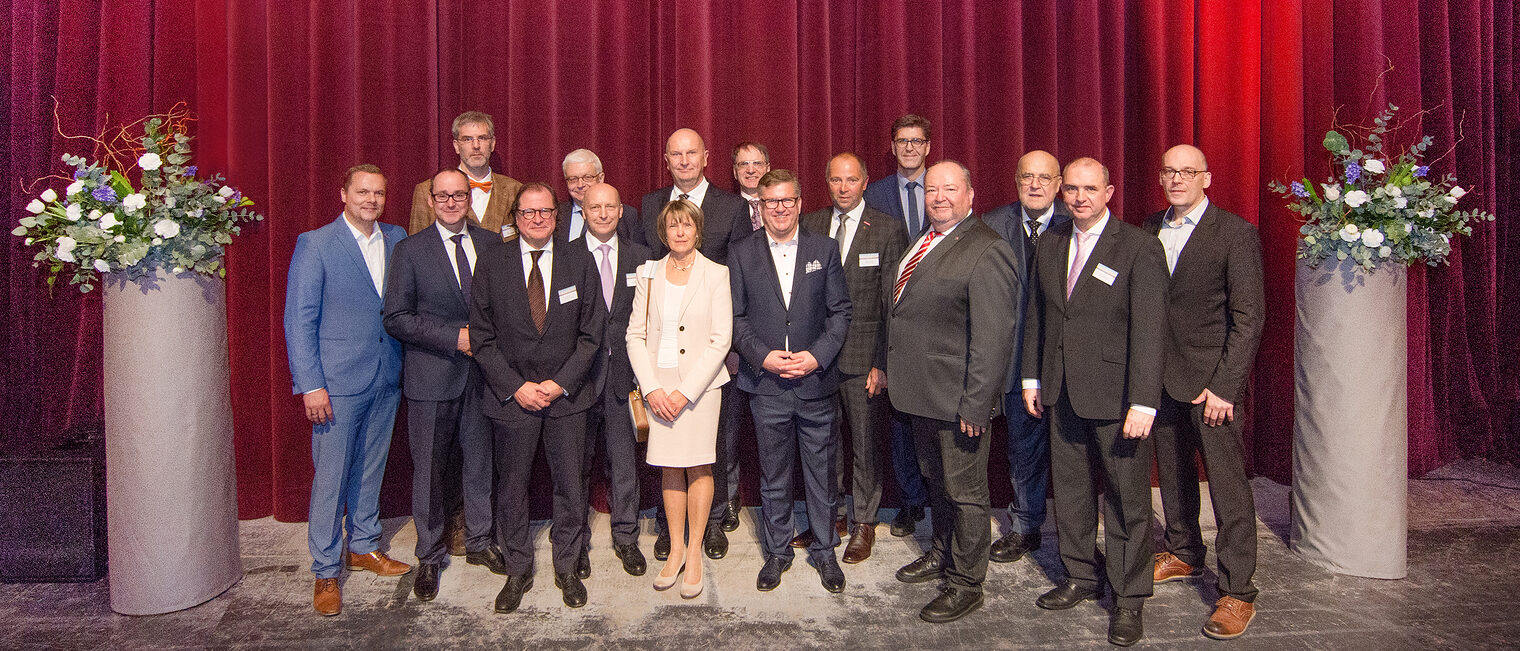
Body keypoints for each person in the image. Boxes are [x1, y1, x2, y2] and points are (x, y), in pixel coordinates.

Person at [1022, 157, 1167, 647]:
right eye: (1073, 189)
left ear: (1110, 191)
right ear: (1062, 193)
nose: (1080, 197)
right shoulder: (1053, 241)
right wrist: (1030, 377)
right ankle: (1082, 575)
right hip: (1060, 391)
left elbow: (1150, 331)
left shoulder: (1140, 247)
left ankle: (1128, 599)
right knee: (1072, 492)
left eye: (1091, 188)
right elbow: (1040, 316)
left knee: (1127, 502)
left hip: (1118, 399)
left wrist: (1144, 402)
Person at [886, 161, 1017, 623]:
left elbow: (993, 338)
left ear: (970, 195)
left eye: (950, 189)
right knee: (936, 482)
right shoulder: (924, 241)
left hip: (959, 401)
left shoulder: (987, 249)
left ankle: (966, 582)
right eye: (932, 190)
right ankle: (942, 551)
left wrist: (977, 404)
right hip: (920, 395)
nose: (938, 197)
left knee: (965, 492)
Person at [1143, 145, 1265, 640]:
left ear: (1206, 179)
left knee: (1228, 489)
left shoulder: (1235, 234)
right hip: (1161, 379)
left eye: (1187, 172)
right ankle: (1185, 553)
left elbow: (1249, 318)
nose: (1177, 180)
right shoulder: (1148, 228)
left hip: (1213, 386)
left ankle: (1238, 591)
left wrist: (1224, 387)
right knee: (1171, 474)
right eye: (1169, 171)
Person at [470, 182, 605, 613]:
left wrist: (560, 383)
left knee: (570, 485)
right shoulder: (492, 263)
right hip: (513, 400)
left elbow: (591, 334)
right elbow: (482, 337)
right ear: (515, 217)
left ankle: (566, 567)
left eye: (544, 211)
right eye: (527, 213)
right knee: (511, 489)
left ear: (556, 215)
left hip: (567, 399)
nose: (536, 219)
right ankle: (518, 568)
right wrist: (516, 387)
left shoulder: (579, 259)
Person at [284, 164, 410, 616]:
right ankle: (324, 569)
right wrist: (311, 385)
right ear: (343, 194)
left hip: (386, 373)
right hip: (335, 384)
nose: (371, 200)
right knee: (331, 476)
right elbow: (299, 321)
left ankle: (364, 545)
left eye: (378, 192)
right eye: (362, 192)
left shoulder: (397, 238)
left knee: (371, 466)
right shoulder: (316, 244)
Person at [383, 169, 507, 602]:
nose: (453, 202)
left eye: (460, 195)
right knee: (430, 472)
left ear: (470, 198)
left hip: (484, 376)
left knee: (480, 462)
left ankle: (479, 541)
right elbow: (396, 317)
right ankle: (430, 555)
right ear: (431, 201)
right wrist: (454, 338)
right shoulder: (410, 250)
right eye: (444, 196)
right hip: (432, 376)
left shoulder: (493, 244)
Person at [730, 169, 852, 593]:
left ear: (800, 203)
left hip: (816, 384)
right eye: (770, 202)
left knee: (821, 474)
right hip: (766, 386)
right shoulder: (741, 253)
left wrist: (815, 357)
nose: (779, 209)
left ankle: (825, 552)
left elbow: (840, 313)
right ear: (759, 208)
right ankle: (778, 553)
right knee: (774, 475)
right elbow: (736, 317)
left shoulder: (825, 248)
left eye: (786, 201)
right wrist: (764, 357)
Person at [639, 127, 749, 561]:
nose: (684, 161)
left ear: (706, 157)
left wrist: (734, 345)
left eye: (692, 154)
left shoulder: (732, 207)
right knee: (667, 447)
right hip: (662, 351)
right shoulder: (650, 205)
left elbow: (739, 278)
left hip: (713, 351)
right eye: (675, 155)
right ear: (666, 160)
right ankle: (672, 528)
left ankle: (715, 519)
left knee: (714, 444)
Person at [797, 153, 908, 563]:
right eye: (835, 180)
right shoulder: (809, 223)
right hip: (817, 358)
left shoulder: (887, 228)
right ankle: (829, 518)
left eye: (851, 180)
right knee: (822, 444)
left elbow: (891, 304)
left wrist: (882, 362)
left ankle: (864, 522)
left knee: (864, 446)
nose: (843, 188)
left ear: (864, 182)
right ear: (826, 183)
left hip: (864, 359)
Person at [626, 199, 734, 599]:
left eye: (687, 225)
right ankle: (673, 549)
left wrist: (686, 392)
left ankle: (695, 552)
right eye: (673, 226)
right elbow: (634, 335)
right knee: (669, 467)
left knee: (699, 465)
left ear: (698, 230)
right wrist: (653, 388)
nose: (680, 232)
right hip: (659, 387)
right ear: (663, 231)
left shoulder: (716, 273)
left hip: (700, 389)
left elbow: (721, 339)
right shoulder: (647, 273)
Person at [981, 150, 1072, 564]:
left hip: (1070, 362)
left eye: (1044, 178)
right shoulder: (991, 225)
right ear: (1016, 182)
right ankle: (1025, 526)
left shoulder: (1079, 223)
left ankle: (1077, 537)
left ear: (1058, 184)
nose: (1035, 185)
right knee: (1023, 450)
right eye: (1026, 178)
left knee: (1074, 454)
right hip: (1014, 361)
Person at [577, 182, 655, 577]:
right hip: (578, 378)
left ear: (622, 210)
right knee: (575, 465)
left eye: (611, 206)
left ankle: (626, 538)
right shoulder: (566, 256)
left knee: (624, 462)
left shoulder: (643, 258)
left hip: (626, 377)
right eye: (595, 207)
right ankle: (574, 544)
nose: (604, 213)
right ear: (583, 210)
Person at [862, 113, 934, 537]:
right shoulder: (874, 194)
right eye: (902, 141)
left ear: (927, 147)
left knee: (934, 417)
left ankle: (937, 496)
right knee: (900, 419)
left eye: (917, 141)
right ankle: (910, 502)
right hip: (889, 318)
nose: (909, 148)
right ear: (892, 147)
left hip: (937, 320)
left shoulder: (944, 189)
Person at [409, 111, 523, 239]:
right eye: (468, 139)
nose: (476, 146)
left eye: (482, 138)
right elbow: (416, 247)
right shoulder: (426, 191)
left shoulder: (515, 190)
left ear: (492, 144)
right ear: (456, 146)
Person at [556, 149, 637, 242]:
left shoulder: (627, 216)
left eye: (587, 177)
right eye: (573, 179)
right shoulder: (556, 215)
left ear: (601, 178)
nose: (580, 185)